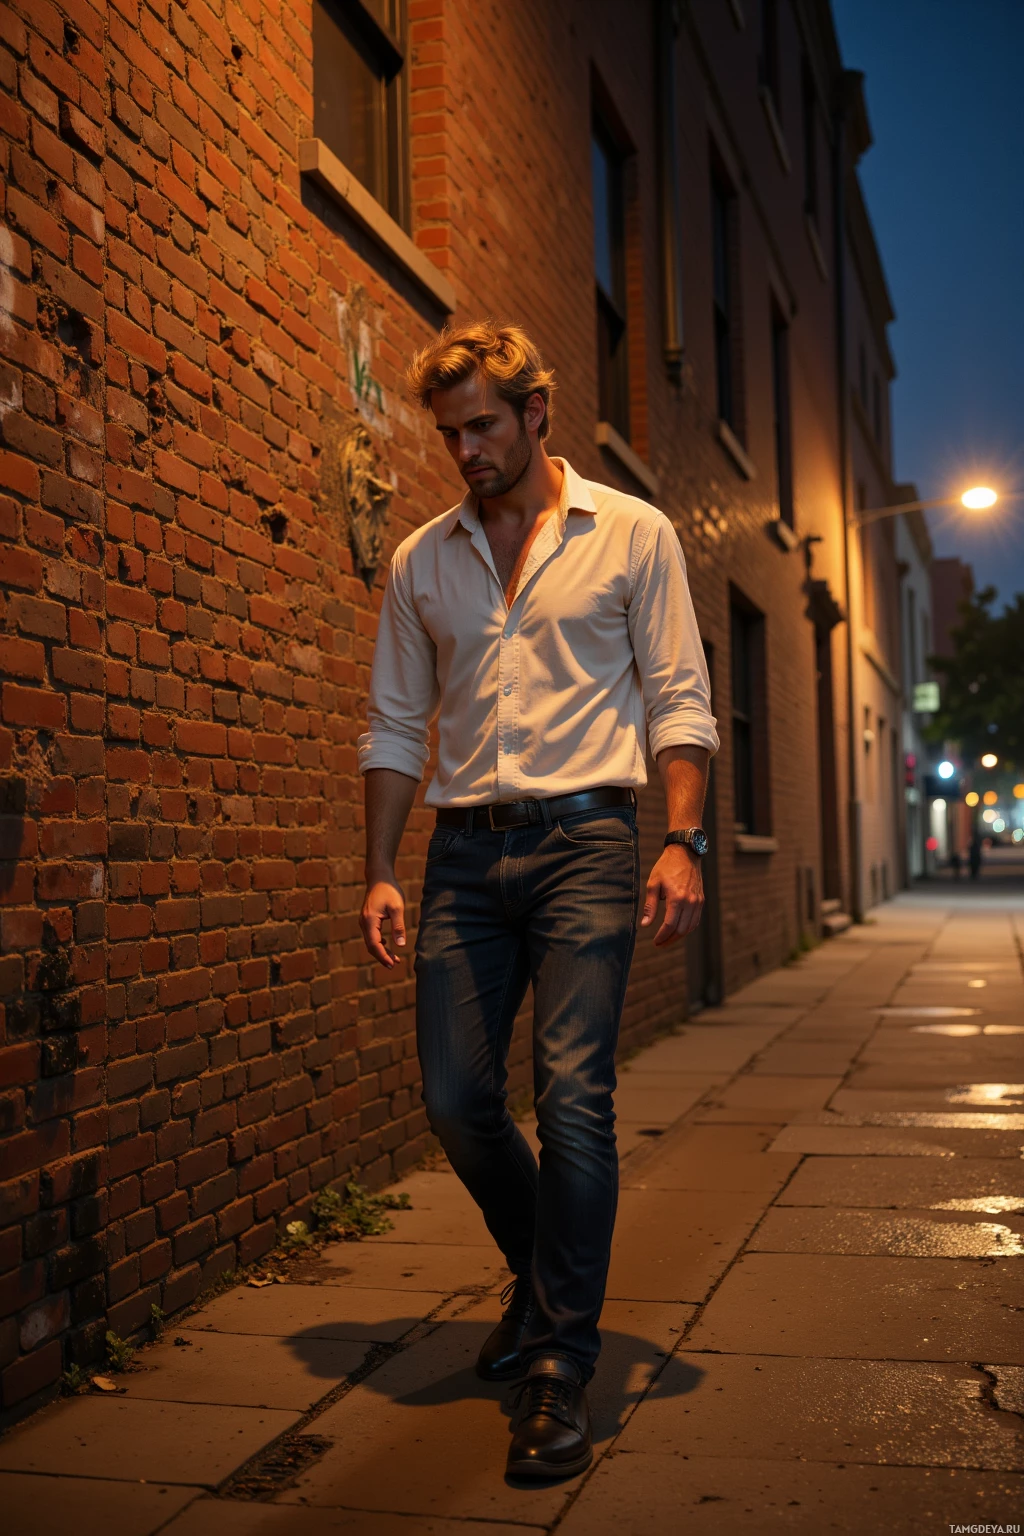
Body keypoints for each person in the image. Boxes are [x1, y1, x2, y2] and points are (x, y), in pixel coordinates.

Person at [357, 321, 719, 1482]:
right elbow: (397, 725)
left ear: (536, 415)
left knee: (572, 1098)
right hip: (464, 854)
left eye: (483, 426)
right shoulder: (423, 559)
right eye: (449, 431)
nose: (464, 449)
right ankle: (545, 1275)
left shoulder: (632, 533)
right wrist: (376, 864)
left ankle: (560, 1363)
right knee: (457, 1097)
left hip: (589, 844)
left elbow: (677, 694)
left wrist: (682, 839)